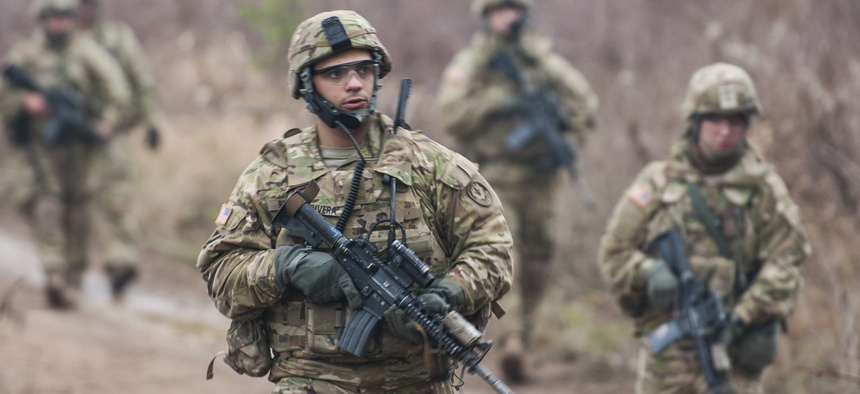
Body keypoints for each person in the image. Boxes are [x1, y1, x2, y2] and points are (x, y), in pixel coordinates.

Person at [197, 10, 513, 394]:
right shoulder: (272, 174)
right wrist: (286, 266)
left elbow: (492, 248)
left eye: (364, 70)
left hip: (415, 382)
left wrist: (453, 289)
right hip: (310, 381)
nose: (353, 84)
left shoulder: (430, 165)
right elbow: (221, 273)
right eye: (334, 74)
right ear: (306, 84)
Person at [598, 63, 810, 393]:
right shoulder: (658, 181)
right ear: (696, 122)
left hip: (736, 350)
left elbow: (787, 263)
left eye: (735, 120)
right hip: (670, 353)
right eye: (714, 120)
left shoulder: (764, 189)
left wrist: (741, 316)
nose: (724, 131)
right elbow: (614, 252)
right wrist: (650, 271)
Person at [435, 0, 598, 381]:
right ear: (485, 17)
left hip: (541, 178)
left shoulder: (540, 60)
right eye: (498, 11)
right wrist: (497, 102)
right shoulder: (473, 63)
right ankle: (511, 342)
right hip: (494, 176)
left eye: (511, 10)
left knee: (540, 255)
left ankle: (525, 335)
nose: (506, 18)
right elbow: (451, 113)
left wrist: (567, 138)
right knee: (507, 253)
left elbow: (584, 104)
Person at [0, 0, 132, 308]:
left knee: (77, 213)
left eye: (64, 17)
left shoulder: (88, 53)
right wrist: (24, 102)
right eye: (53, 18)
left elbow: (119, 92)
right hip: (41, 150)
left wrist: (105, 124)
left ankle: (72, 276)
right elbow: (5, 94)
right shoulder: (25, 55)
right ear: (42, 20)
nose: (59, 23)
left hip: (80, 150)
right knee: (48, 206)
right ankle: (54, 274)